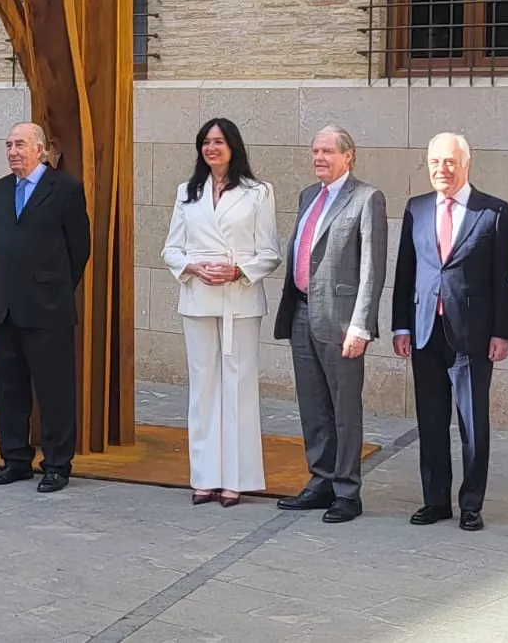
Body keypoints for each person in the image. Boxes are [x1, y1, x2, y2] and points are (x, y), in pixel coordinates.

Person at [392, 133, 508, 531]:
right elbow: (405, 273)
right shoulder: (417, 208)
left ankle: (472, 504)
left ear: (466, 163)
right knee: (430, 420)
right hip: (426, 329)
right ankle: (435, 500)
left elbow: (501, 278)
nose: (441, 169)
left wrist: (501, 332)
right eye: (434, 163)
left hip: (472, 335)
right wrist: (400, 325)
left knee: (472, 423)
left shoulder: (492, 211)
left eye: (449, 162)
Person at [161, 118, 280, 507]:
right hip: (198, 299)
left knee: (239, 388)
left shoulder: (259, 192)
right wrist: (193, 267)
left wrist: (238, 270)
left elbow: (270, 252)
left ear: (233, 146)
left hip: (240, 301)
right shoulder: (187, 192)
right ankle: (205, 476)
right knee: (203, 390)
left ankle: (237, 478)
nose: (212, 148)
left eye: (219, 141)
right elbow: (171, 249)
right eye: (206, 142)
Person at [273, 126, 387, 523]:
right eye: (315, 151)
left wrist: (362, 325)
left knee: (344, 407)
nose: (318, 157)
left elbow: (372, 269)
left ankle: (347, 491)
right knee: (313, 405)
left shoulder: (366, 198)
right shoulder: (308, 196)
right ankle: (320, 480)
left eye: (327, 151)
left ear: (348, 156)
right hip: (302, 312)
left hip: (341, 322)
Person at [0, 122, 90, 493]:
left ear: (40, 150)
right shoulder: (1, 189)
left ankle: (57, 464)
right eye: (9, 144)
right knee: (10, 388)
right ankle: (15, 459)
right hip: (6, 307)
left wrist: (55, 288)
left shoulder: (65, 189)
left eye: (21, 145)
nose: (13, 151)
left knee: (54, 390)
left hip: (48, 309)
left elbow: (79, 248)